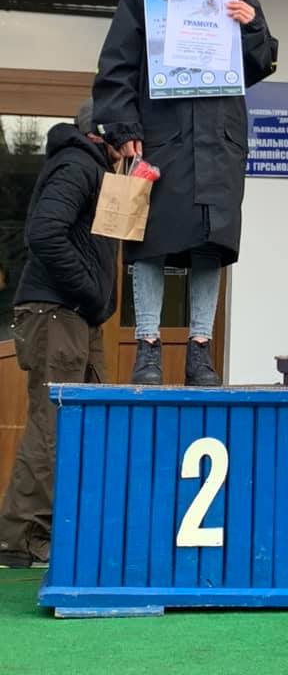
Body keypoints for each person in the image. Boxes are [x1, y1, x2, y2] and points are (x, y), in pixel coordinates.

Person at [93, 0, 275, 387]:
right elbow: (117, 62)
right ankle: (147, 347)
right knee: (150, 240)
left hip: (219, 138)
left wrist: (251, 26)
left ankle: (199, 348)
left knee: (211, 243)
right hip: (163, 133)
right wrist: (124, 127)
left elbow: (259, 64)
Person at [0, 100, 118, 568]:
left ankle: (49, 532)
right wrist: (90, 292)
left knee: (79, 419)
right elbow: (44, 233)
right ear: (101, 135)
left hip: (73, 314)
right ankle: (22, 538)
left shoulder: (93, 168)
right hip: (57, 312)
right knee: (55, 423)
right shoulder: (77, 164)